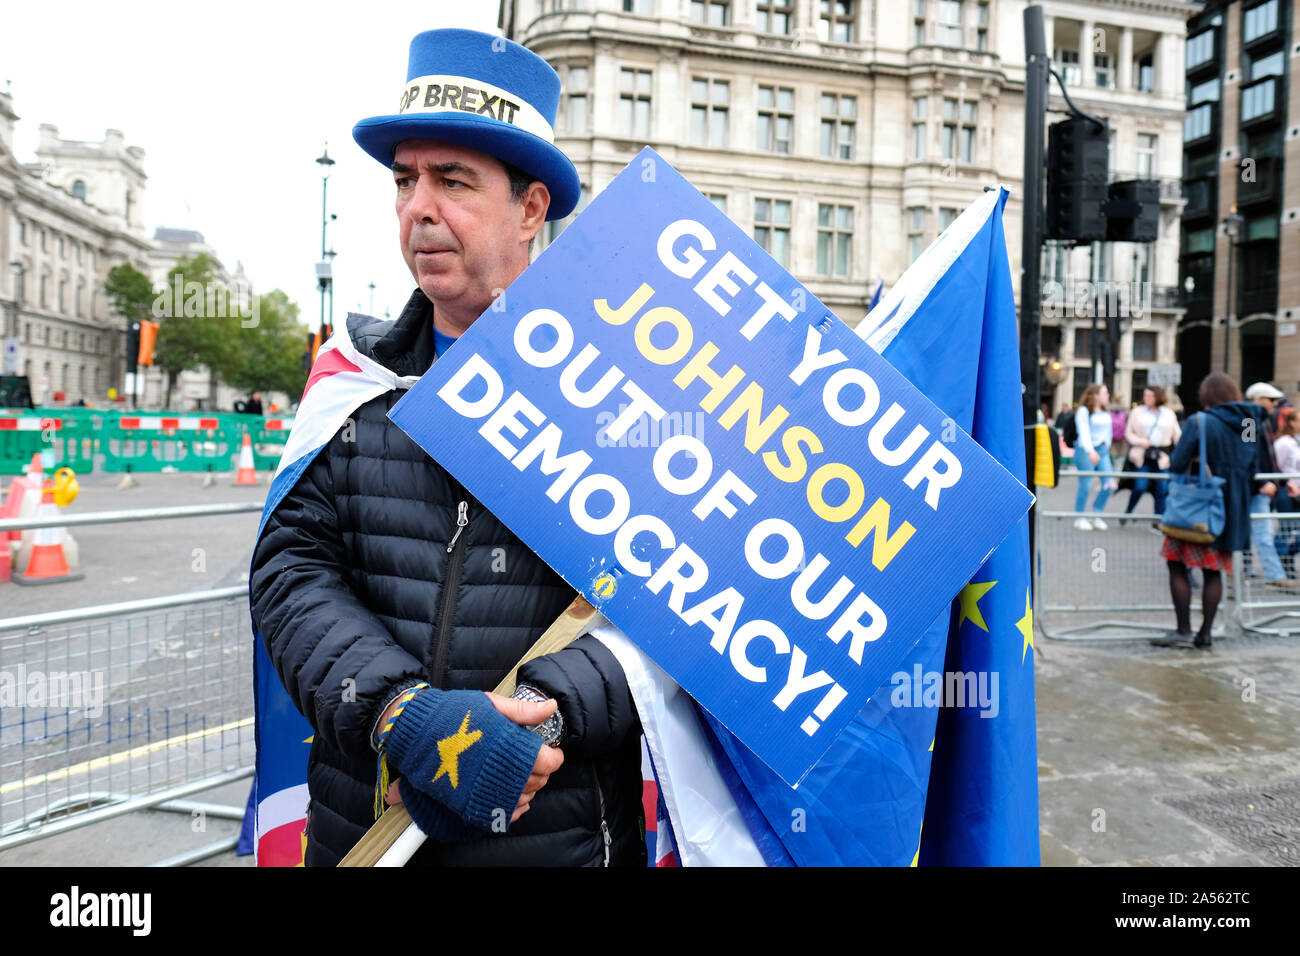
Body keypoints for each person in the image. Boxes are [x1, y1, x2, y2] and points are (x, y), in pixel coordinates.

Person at [250, 29, 644, 867]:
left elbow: (686, 613)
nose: (418, 207)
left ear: (530, 208)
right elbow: (291, 571)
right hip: (366, 826)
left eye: (453, 181)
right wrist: (402, 714)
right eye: (405, 180)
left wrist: (542, 714)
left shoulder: (623, 393)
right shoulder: (352, 380)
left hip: (560, 837)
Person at [1152, 373, 1282, 650]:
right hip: (1233, 508)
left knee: (1177, 564)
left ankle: (1183, 630)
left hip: (1198, 505)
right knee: (1214, 572)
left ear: (1206, 396)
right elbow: (1252, 463)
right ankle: (1206, 634)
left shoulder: (1200, 422)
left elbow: (1177, 463)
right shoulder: (1250, 422)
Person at [1242, 382, 1289, 586]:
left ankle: (1273, 574)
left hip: (1258, 484)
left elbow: (1266, 456)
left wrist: (1279, 481)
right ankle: (1274, 575)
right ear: (1259, 400)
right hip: (1255, 485)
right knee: (1260, 532)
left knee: (1259, 532)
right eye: (1271, 400)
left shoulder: (1260, 420)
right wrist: (1261, 482)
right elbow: (1248, 454)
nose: (1275, 404)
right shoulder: (1250, 421)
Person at [1123, 386, 1181, 523]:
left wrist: (1184, 449)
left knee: (1162, 488)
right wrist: (1139, 441)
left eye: (1150, 396)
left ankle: (1158, 519)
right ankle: (1128, 511)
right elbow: (1128, 432)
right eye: (1145, 395)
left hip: (1162, 455)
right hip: (1143, 454)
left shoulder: (1168, 413)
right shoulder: (1137, 412)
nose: (1146, 399)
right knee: (1140, 486)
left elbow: (1177, 434)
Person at [1072, 383, 1116, 530]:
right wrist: (1090, 451)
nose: (1108, 395)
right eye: (1105, 392)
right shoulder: (1084, 411)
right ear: (1096, 395)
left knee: (1109, 483)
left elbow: (1108, 432)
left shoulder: (1105, 411)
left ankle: (1097, 512)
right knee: (1086, 484)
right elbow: (1083, 431)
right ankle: (1079, 516)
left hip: (1102, 450)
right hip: (1085, 449)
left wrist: (1106, 447)